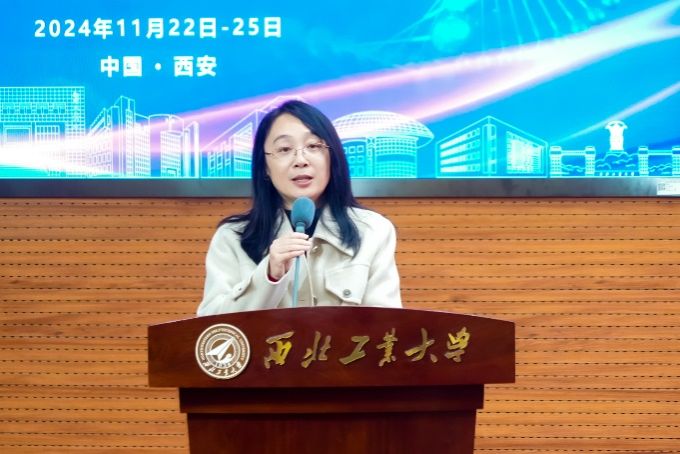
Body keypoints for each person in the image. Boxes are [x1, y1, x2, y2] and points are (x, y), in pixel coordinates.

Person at [197, 100, 401, 316]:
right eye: (284, 149)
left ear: (332, 158)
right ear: (265, 167)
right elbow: (212, 327)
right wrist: (268, 275)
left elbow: (387, 325)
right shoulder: (232, 237)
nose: (300, 160)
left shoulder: (372, 230)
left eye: (313, 146)